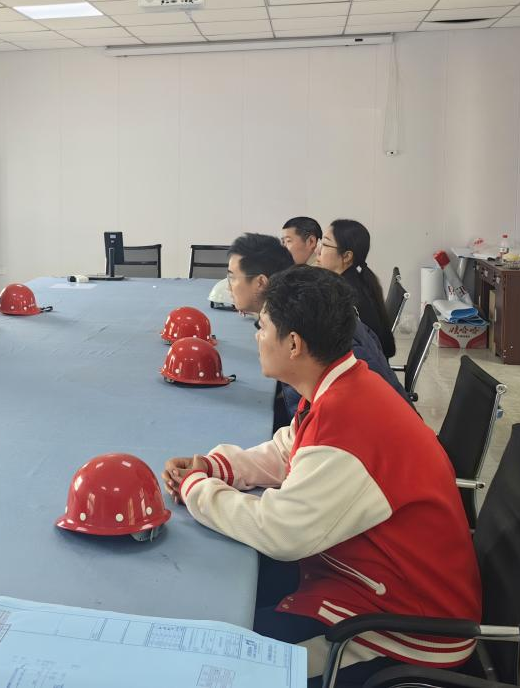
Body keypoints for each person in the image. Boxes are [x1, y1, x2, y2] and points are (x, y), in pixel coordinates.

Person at [164, 267, 481, 687]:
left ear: (294, 344)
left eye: (263, 328)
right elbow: (289, 450)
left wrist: (196, 490)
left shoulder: (349, 425)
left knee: (226, 667)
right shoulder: (344, 384)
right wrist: (216, 467)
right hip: (365, 581)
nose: (257, 337)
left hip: (403, 629)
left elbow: (281, 531)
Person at [225, 233, 406, 430]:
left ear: (260, 282)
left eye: (232, 277)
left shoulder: (323, 336)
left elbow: (350, 420)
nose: (228, 287)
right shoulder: (307, 308)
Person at [316, 219, 396, 359]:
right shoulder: (355, 280)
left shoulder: (344, 295)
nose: (317, 250)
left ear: (347, 256)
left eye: (325, 244)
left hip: (366, 365)